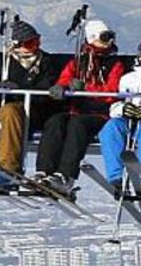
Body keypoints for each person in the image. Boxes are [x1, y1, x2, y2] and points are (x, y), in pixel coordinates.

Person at [0, 19, 65, 185]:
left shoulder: (46, 63)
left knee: (10, 111)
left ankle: (9, 166)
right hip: (3, 108)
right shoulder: (4, 61)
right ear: (17, 45)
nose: (34, 46)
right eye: (29, 43)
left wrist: (19, 87)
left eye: (36, 41)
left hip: (31, 112)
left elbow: (47, 87)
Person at [35, 19, 123, 196]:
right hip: (77, 110)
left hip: (100, 113)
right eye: (104, 38)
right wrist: (62, 88)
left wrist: (86, 89)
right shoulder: (78, 63)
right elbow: (64, 79)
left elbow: (112, 91)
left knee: (77, 125)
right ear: (91, 38)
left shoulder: (115, 64)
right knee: (56, 121)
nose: (109, 42)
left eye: (110, 37)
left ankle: (66, 175)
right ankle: (44, 170)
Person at [97, 40, 141, 192]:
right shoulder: (128, 79)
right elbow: (116, 101)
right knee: (111, 128)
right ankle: (115, 177)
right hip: (129, 118)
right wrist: (123, 109)